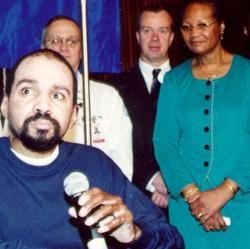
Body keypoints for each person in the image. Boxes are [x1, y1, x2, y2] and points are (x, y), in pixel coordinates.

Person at [0, 48, 184, 249]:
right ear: (5, 105)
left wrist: (134, 234)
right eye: (27, 91)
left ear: (73, 116)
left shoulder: (94, 163)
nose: (43, 105)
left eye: (58, 95)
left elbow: (171, 240)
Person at [153, 0, 250, 248]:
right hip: (188, 210)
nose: (194, 33)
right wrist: (196, 199)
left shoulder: (247, 73)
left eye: (202, 24)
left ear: (222, 27)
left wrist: (225, 191)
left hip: (242, 205)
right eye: (186, 27)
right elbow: (164, 143)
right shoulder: (174, 80)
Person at [40, 15, 133, 180]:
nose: (63, 48)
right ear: (42, 48)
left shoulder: (107, 97)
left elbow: (122, 161)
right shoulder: (26, 98)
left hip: (97, 195)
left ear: (81, 50)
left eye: (71, 41)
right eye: (55, 41)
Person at [112, 4, 174, 210]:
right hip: (134, 199)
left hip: (185, 198)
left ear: (172, 37)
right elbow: (115, 143)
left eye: (162, 31)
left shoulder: (189, 83)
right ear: (138, 36)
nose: (155, 38)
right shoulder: (115, 87)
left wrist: (173, 184)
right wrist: (153, 179)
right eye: (147, 31)